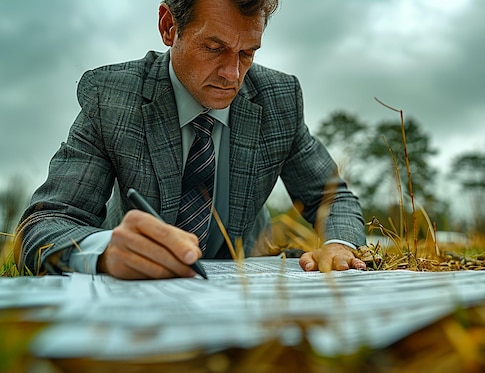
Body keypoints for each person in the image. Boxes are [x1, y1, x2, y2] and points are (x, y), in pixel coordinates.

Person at [15, 0, 367, 280]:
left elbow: (330, 198)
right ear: (169, 27)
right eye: (214, 48)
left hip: (250, 283)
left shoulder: (279, 99)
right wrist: (104, 251)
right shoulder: (112, 98)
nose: (233, 75)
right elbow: (44, 225)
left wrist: (338, 245)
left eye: (247, 53)